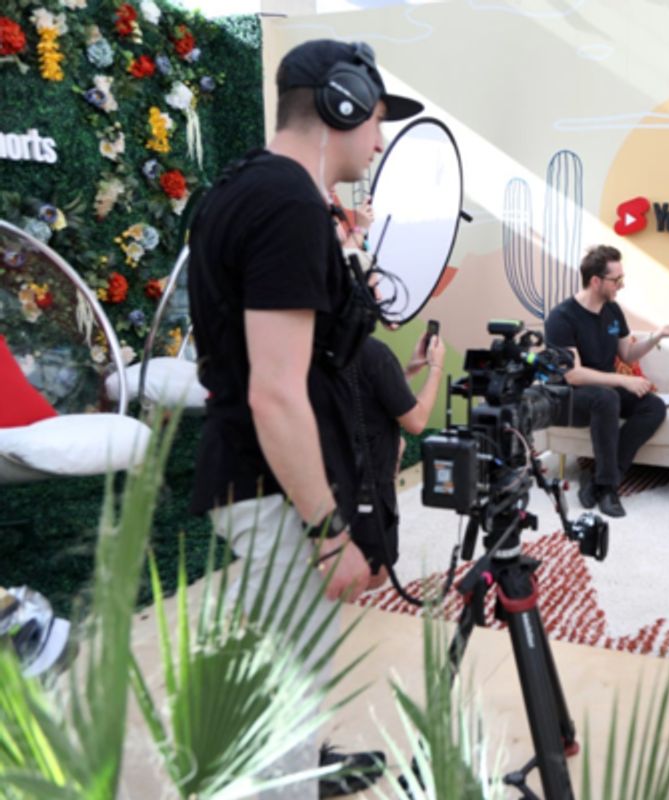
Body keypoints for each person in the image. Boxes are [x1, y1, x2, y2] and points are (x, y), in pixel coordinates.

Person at [187, 39, 423, 798]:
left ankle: (309, 766)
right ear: (339, 104)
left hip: (255, 476)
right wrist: (328, 535)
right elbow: (275, 392)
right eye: (376, 121)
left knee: (293, 661)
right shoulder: (286, 203)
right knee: (287, 684)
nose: (380, 141)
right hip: (271, 485)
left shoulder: (252, 191)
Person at [544, 244, 669, 518]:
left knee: (653, 406)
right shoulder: (562, 317)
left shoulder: (613, 311)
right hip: (570, 397)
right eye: (617, 280)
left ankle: (602, 481)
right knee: (607, 397)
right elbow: (573, 374)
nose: (622, 285)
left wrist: (656, 336)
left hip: (605, 391)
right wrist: (622, 381)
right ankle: (609, 488)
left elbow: (627, 354)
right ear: (596, 281)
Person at [353, 332, 445, 588]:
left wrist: (408, 372)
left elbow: (374, 396)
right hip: (369, 484)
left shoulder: (325, 344)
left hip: (340, 477)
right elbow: (416, 421)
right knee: (375, 574)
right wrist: (436, 368)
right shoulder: (372, 353)